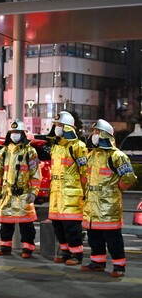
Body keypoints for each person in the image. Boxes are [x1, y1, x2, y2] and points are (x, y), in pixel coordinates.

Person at [81, 119, 137, 277]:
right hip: (92, 205)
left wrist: (117, 189)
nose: (94, 135)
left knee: (112, 238)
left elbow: (129, 177)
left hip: (108, 205)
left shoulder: (117, 156)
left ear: (105, 134)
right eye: (94, 132)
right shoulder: (91, 155)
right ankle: (97, 263)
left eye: (97, 132)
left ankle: (119, 266)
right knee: (94, 237)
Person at [0, 119, 41, 259]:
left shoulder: (30, 151)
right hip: (7, 194)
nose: (14, 135)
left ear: (22, 134)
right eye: (12, 132)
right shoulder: (3, 152)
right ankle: (5, 247)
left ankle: (28, 248)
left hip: (23, 192)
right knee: (6, 223)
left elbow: (35, 173)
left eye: (17, 132)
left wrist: (33, 192)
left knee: (26, 223)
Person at [48, 111, 88, 265]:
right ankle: (65, 252)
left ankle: (76, 255)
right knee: (58, 226)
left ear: (68, 127)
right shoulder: (56, 146)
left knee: (71, 226)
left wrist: (85, 192)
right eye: (56, 125)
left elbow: (84, 172)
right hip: (57, 194)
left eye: (60, 125)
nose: (57, 128)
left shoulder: (78, 146)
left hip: (71, 193)